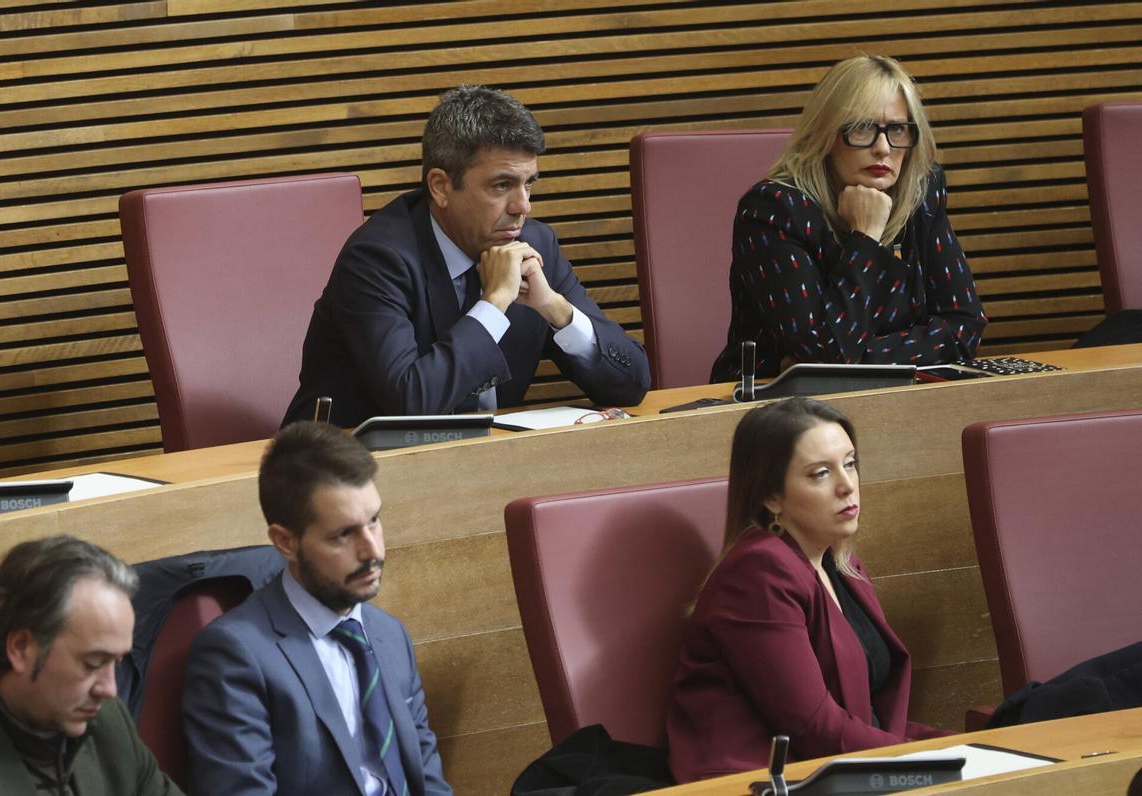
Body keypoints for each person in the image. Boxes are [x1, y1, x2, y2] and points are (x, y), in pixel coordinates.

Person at [283, 84, 649, 428]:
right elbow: (412, 404)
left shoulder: (535, 245)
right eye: (502, 185)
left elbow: (631, 385)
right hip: (343, 475)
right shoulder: (378, 258)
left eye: (529, 183)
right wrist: (494, 304)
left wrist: (556, 310)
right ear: (441, 187)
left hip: (480, 466)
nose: (524, 205)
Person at [666, 397, 949, 781]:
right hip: (764, 778)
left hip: (837, 767)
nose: (847, 485)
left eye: (850, 464)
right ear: (771, 497)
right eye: (820, 474)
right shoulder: (759, 572)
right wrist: (918, 761)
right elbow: (813, 726)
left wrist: (943, 750)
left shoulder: (839, 560)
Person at [182, 421, 451, 795]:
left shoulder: (390, 635)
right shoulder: (236, 654)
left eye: (374, 521)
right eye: (344, 534)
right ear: (286, 542)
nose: (372, 550)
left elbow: (430, 783)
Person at [711, 55, 986, 381]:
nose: (883, 147)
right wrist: (866, 237)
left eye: (897, 129)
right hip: (778, 415)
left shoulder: (921, 193)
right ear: (826, 135)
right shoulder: (773, 210)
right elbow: (827, 353)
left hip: (900, 399)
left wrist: (861, 359)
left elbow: (965, 325)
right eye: (862, 128)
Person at [0, 535, 181, 795]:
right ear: (21, 647)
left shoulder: (108, 720)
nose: (110, 689)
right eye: (93, 663)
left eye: (117, 662)